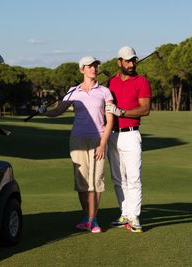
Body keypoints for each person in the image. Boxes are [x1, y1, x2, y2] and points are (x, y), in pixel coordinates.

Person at [38, 56, 114, 233]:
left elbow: (109, 120)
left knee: (96, 181)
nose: (94, 69)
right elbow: (58, 110)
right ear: (82, 70)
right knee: (82, 181)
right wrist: (44, 112)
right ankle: (86, 217)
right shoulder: (73, 91)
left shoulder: (104, 91)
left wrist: (103, 144)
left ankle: (93, 219)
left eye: (95, 66)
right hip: (78, 139)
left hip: (98, 139)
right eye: (89, 66)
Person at [106, 46, 152, 233]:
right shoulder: (110, 82)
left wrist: (122, 112)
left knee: (134, 178)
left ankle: (134, 217)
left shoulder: (142, 81)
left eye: (133, 60)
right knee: (118, 179)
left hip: (131, 134)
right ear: (119, 62)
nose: (132, 64)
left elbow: (145, 109)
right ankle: (124, 213)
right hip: (112, 135)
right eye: (127, 61)